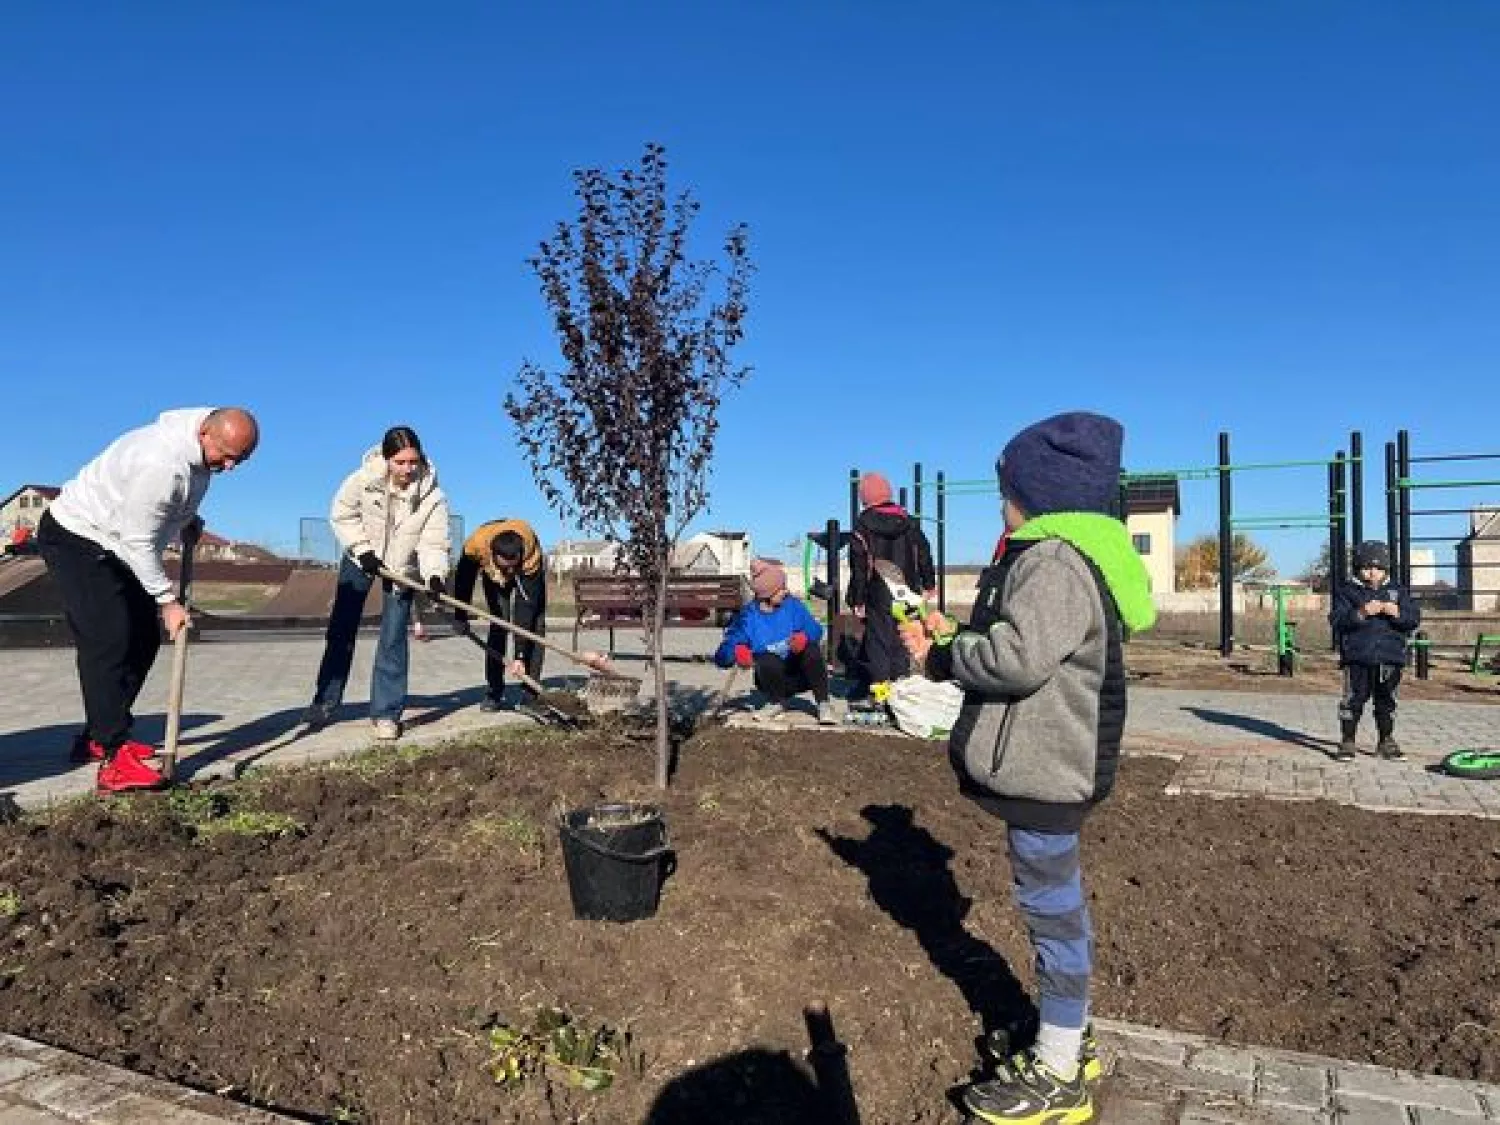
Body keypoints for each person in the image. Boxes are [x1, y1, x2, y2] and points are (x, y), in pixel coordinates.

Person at [899, 412, 1154, 1124]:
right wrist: (958, 632)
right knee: (1054, 908)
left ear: (1036, 495)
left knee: (1053, 916)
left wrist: (944, 656)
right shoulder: (1079, 555)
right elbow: (1026, 639)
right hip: (1052, 763)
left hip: (1049, 770)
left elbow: (1019, 656)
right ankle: (1070, 1035)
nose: (1002, 504)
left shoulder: (1052, 559)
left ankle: (1061, 1070)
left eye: (1006, 491)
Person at [37, 407, 260, 793]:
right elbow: (138, 540)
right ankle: (113, 756)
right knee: (108, 638)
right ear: (205, 434)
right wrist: (166, 600)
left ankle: (99, 733)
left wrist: (185, 519)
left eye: (240, 460)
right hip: (78, 538)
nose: (230, 467)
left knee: (143, 637)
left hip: (117, 543)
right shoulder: (161, 463)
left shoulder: (202, 455)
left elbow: (170, 506)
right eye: (226, 455)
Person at [304, 426, 451, 740]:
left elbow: (434, 541)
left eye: (413, 462)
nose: (407, 469)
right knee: (342, 629)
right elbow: (341, 515)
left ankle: (386, 713)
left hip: (402, 568)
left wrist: (435, 574)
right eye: (400, 462)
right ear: (386, 459)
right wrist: (363, 550)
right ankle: (325, 701)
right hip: (362, 559)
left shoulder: (432, 495)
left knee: (394, 637)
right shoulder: (362, 481)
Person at [715, 559, 838, 724]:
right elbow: (722, 655)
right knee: (765, 658)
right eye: (781, 589)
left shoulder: (793, 606)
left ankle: (823, 704)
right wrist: (735, 653)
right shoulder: (747, 617)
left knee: (812, 650)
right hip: (771, 679)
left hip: (801, 675)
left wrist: (805, 637)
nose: (786, 591)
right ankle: (776, 703)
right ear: (767, 594)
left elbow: (816, 629)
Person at [846, 472, 936, 696]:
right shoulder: (908, 521)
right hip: (908, 590)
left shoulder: (862, 525)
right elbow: (924, 553)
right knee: (901, 638)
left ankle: (881, 693)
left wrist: (857, 599)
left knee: (878, 642)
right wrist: (929, 583)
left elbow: (859, 566)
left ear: (865, 497)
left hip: (878, 592)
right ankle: (900, 689)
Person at [1330, 540, 1419, 761]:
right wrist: (1361, 612)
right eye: (1367, 568)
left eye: (1378, 569)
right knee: (1352, 700)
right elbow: (1337, 620)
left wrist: (1397, 612)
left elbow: (1413, 619)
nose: (1373, 573)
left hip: (1390, 658)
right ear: (1358, 569)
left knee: (1387, 701)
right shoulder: (1347, 592)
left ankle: (1386, 741)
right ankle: (1347, 741)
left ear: (1386, 570)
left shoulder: (1398, 592)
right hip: (1357, 658)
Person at [451, 519, 547, 711]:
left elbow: (525, 607)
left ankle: (530, 693)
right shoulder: (475, 546)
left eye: (513, 566)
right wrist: (460, 615)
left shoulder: (531, 555)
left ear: (521, 555)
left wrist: (519, 655)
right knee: (499, 623)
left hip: (527, 575)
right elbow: (464, 580)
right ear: (492, 555)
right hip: (492, 574)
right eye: (506, 567)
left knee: (535, 626)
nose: (510, 572)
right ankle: (494, 691)